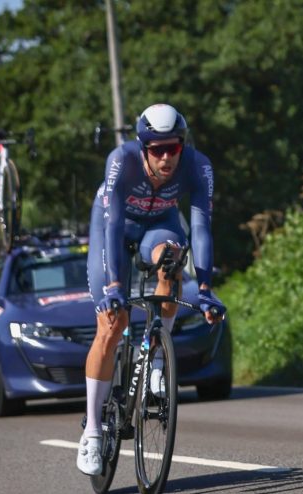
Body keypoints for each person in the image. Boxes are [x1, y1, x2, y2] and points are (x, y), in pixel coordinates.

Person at [77, 104, 226, 475]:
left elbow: (201, 226)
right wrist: (113, 285)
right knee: (113, 323)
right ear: (143, 148)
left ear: (182, 145)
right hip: (113, 227)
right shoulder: (121, 160)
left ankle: (157, 358)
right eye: (156, 149)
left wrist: (205, 287)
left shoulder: (198, 165)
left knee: (172, 259)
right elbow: (111, 226)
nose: (165, 157)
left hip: (159, 226)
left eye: (172, 148)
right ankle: (93, 431)